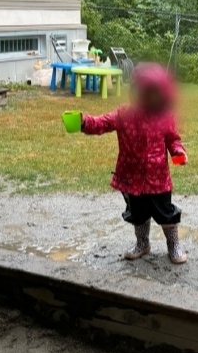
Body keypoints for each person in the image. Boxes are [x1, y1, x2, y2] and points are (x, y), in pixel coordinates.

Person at [80, 63, 188, 264]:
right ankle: (142, 243)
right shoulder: (124, 114)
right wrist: (84, 122)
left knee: (166, 213)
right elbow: (102, 123)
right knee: (138, 214)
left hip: (158, 179)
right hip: (132, 178)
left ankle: (173, 244)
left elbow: (173, 139)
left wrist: (178, 152)